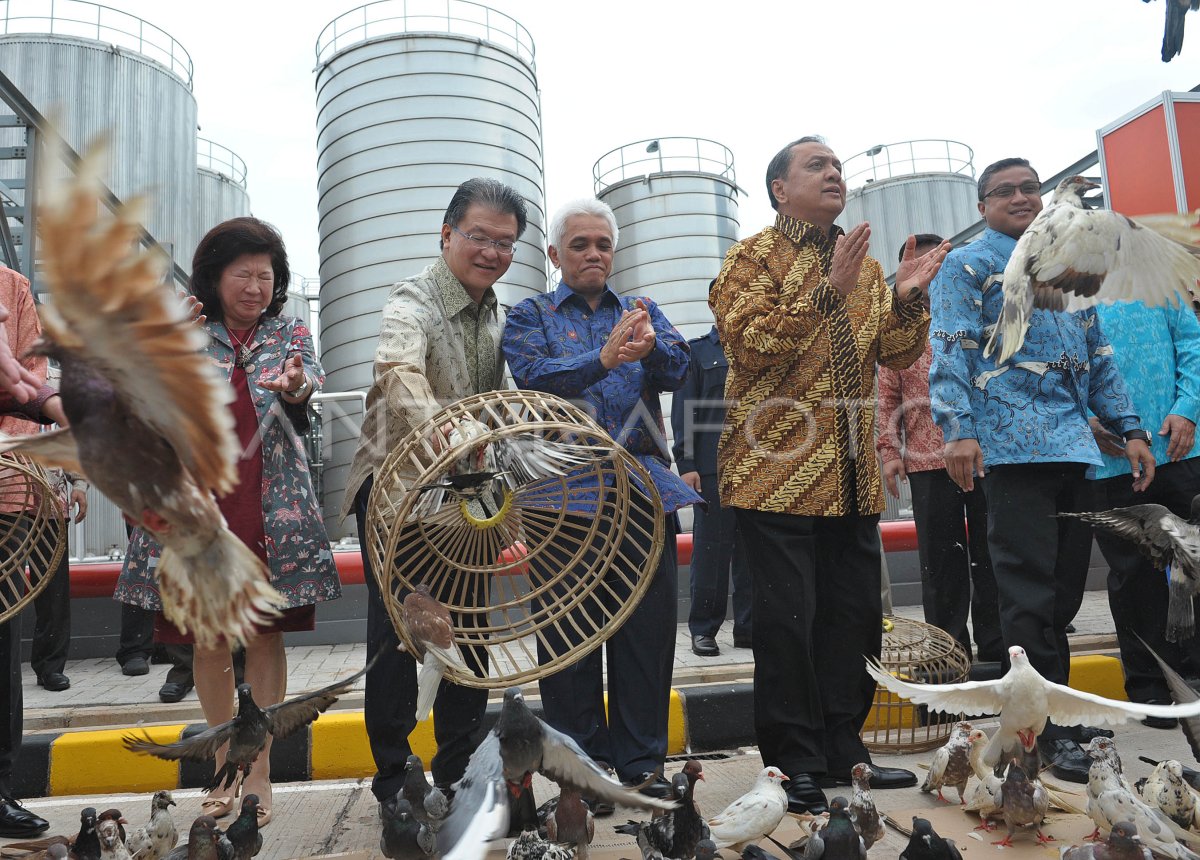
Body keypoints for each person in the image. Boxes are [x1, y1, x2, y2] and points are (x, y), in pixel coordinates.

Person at [709, 136, 947, 815]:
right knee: (788, 625)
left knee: (851, 623)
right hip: (775, 472)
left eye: (837, 165)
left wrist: (903, 298)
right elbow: (749, 346)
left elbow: (897, 351)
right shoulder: (751, 258)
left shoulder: (869, 268)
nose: (834, 173)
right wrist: (826, 291)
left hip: (850, 475)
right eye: (817, 165)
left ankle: (846, 749)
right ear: (780, 189)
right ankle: (793, 763)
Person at [928, 157, 1153, 783]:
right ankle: (1041, 733)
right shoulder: (966, 265)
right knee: (1025, 595)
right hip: (1010, 448)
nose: (1022, 198)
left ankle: (1054, 712)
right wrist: (959, 430)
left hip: (1076, 449)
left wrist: (1130, 428)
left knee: (1063, 593)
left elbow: (1098, 353)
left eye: (1031, 188)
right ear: (983, 206)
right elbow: (949, 345)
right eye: (1006, 191)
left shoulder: (1064, 266)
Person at [115, 217, 339, 825]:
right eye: (242, 274)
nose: (254, 287)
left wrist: (296, 386)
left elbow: (306, 384)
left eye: (265, 275)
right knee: (209, 639)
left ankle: (257, 772)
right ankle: (223, 772)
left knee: (264, 634)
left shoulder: (292, 332)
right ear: (214, 278)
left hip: (271, 506)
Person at [503, 197, 701, 803]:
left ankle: (643, 768)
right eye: (581, 245)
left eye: (603, 245)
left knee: (646, 637)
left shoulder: (641, 310)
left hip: (642, 492)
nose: (594, 254)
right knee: (569, 641)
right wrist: (605, 357)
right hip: (562, 498)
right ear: (554, 254)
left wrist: (651, 350)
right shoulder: (528, 314)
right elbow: (534, 376)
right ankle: (581, 776)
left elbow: (679, 368)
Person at [342, 178, 527, 806]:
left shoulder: (501, 314)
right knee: (404, 627)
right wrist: (450, 431)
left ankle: (458, 766)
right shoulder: (411, 300)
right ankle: (394, 774)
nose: (492, 252)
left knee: (469, 625)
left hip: (468, 490)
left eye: (505, 243)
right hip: (399, 489)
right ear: (447, 234)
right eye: (478, 236)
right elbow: (397, 370)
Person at [877, 234, 1003, 664]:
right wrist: (890, 452)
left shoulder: (982, 313)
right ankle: (948, 656)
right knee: (941, 565)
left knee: (993, 557)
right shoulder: (897, 330)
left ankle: (998, 650)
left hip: (986, 457)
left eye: (939, 263)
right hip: (928, 463)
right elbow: (886, 394)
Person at [1087, 297, 1200, 725]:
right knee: (1133, 575)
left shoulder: (1160, 284)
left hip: (1181, 446)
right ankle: (1150, 687)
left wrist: (1187, 410)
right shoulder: (1059, 295)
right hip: (1111, 458)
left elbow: (1194, 347)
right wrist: (1086, 420)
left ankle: (1194, 678)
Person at [0, 265, 69, 838]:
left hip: (4, 492)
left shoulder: (10, 285)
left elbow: (26, 377)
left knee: (0, 645)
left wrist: (49, 407)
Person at [670, 319, 751, 657]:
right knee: (710, 553)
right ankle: (703, 629)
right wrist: (687, 465)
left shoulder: (756, 347)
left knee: (754, 553)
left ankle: (749, 628)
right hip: (712, 470)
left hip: (757, 467)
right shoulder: (698, 351)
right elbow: (685, 410)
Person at [29, 467, 88, 692]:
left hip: (49, 499)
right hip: (7, 497)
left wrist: (80, 484)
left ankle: (50, 666)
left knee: (54, 591)